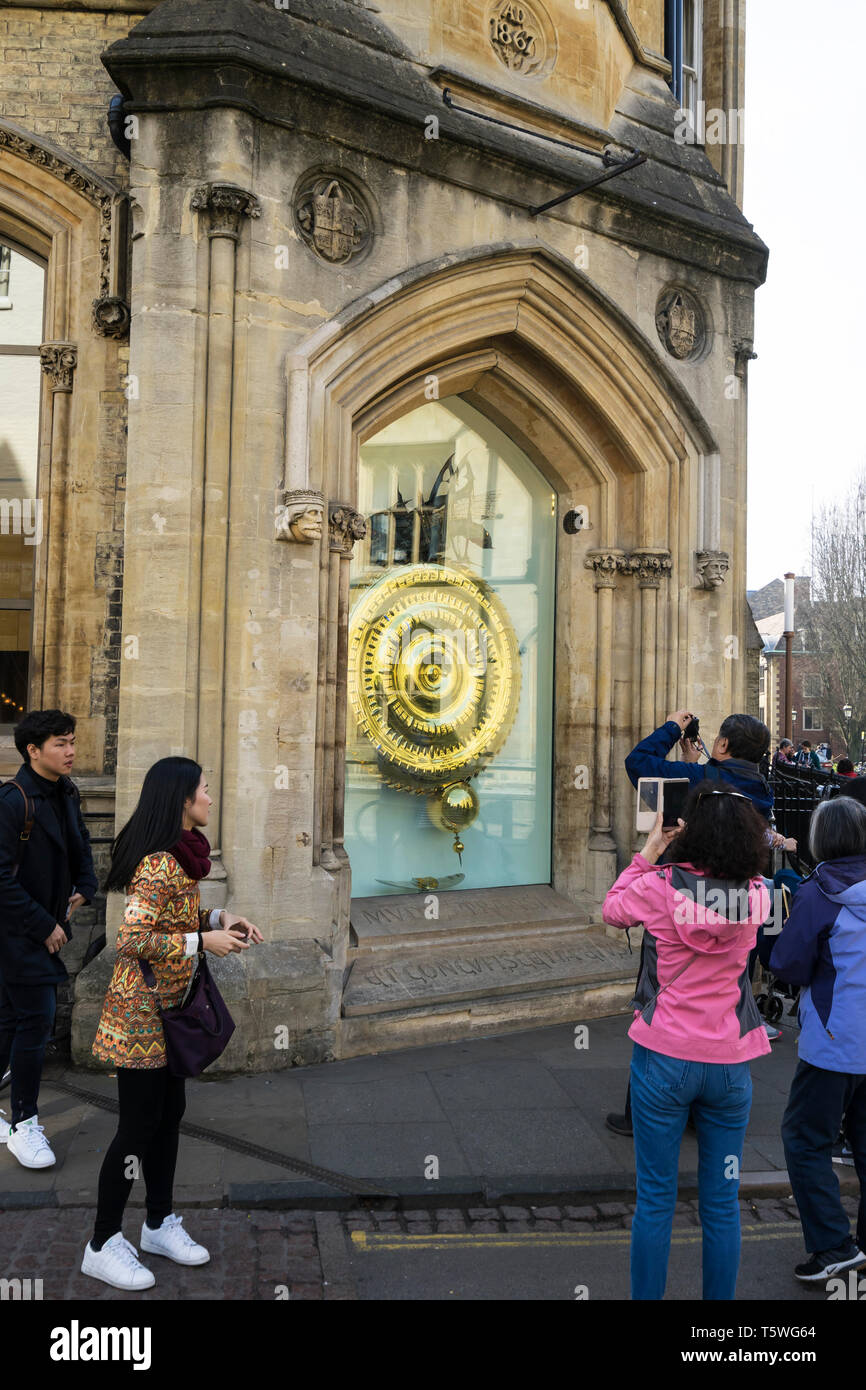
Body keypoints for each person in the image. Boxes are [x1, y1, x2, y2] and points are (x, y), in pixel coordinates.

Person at [81, 757, 263, 1291]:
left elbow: (173, 921)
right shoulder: (160, 861)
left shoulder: (183, 857)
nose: (211, 798)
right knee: (137, 1127)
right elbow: (131, 939)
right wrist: (202, 941)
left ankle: (158, 1223)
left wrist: (218, 920)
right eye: (205, 790)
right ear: (183, 799)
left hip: (169, 1011)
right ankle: (102, 1242)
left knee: (168, 1115)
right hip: (140, 1016)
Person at [603, 787, 772, 1300]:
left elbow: (612, 910)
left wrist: (650, 850)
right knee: (722, 1204)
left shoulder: (658, 887)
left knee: (655, 1201)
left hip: (665, 1057)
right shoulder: (759, 893)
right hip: (729, 1064)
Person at [769, 797, 866, 1282]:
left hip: (835, 1042)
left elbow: (786, 963)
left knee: (805, 1141)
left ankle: (833, 1244)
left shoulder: (818, 893)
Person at [0, 710, 97, 1167]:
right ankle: (24, 1124)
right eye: (60, 743)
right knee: (36, 1022)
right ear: (33, 750)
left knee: (9, 1022)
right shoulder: (13, 800)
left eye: (72, 741)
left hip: (44, 929)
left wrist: (85, 888)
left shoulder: (68, 792)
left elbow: (82, 847)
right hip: (18, 934)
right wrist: (45, 925)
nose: (71, 750)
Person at [626, 711, 774, 819]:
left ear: (723, 744)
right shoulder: (763, 790)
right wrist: (690, 764)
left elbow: (637, 761)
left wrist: (672, 728)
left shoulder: (697, 778)